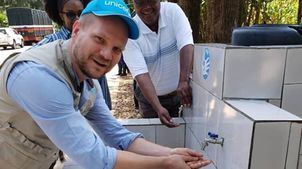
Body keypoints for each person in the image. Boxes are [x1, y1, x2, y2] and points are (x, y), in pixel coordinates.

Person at [0, 0, 211, 168]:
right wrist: (165, 163)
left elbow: (117, 135)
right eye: (99, 39)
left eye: (117, 49)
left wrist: (170, 152)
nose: (106, 55)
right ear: (76, 30)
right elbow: (94, 158)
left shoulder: (87, 82)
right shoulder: (39, 77)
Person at [123, 0, 193, 127]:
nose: (147, 7)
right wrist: (158, 107)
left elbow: (186, 43)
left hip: (180, 94)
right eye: (140, 3)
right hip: (150, 101)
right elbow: (141, 75)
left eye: (151, 1)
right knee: (155, 139)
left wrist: (183, 81)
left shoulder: (173, 12)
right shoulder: (131, 33)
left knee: (181, 136)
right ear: (134, 3)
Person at [33, 0, 112, 110]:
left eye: (81, 13)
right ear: (61, 16)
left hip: (93, 115)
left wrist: (106, 109)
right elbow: (24, 65)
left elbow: (100, 82)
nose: (77, 18)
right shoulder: (49, 43)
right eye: (71, 14)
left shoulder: (96, 42)